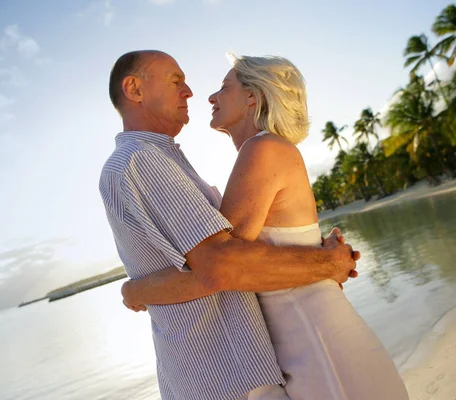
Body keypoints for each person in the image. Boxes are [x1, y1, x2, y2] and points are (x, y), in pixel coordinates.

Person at [119, 54, 409, 399]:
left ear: (253, 96)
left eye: (224, 88)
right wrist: (329, 262)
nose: (209, 97)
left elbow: (225, 269)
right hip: (301, 338)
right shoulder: (262, 152)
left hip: (314, 339)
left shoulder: (264, 149)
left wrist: (137, 292)